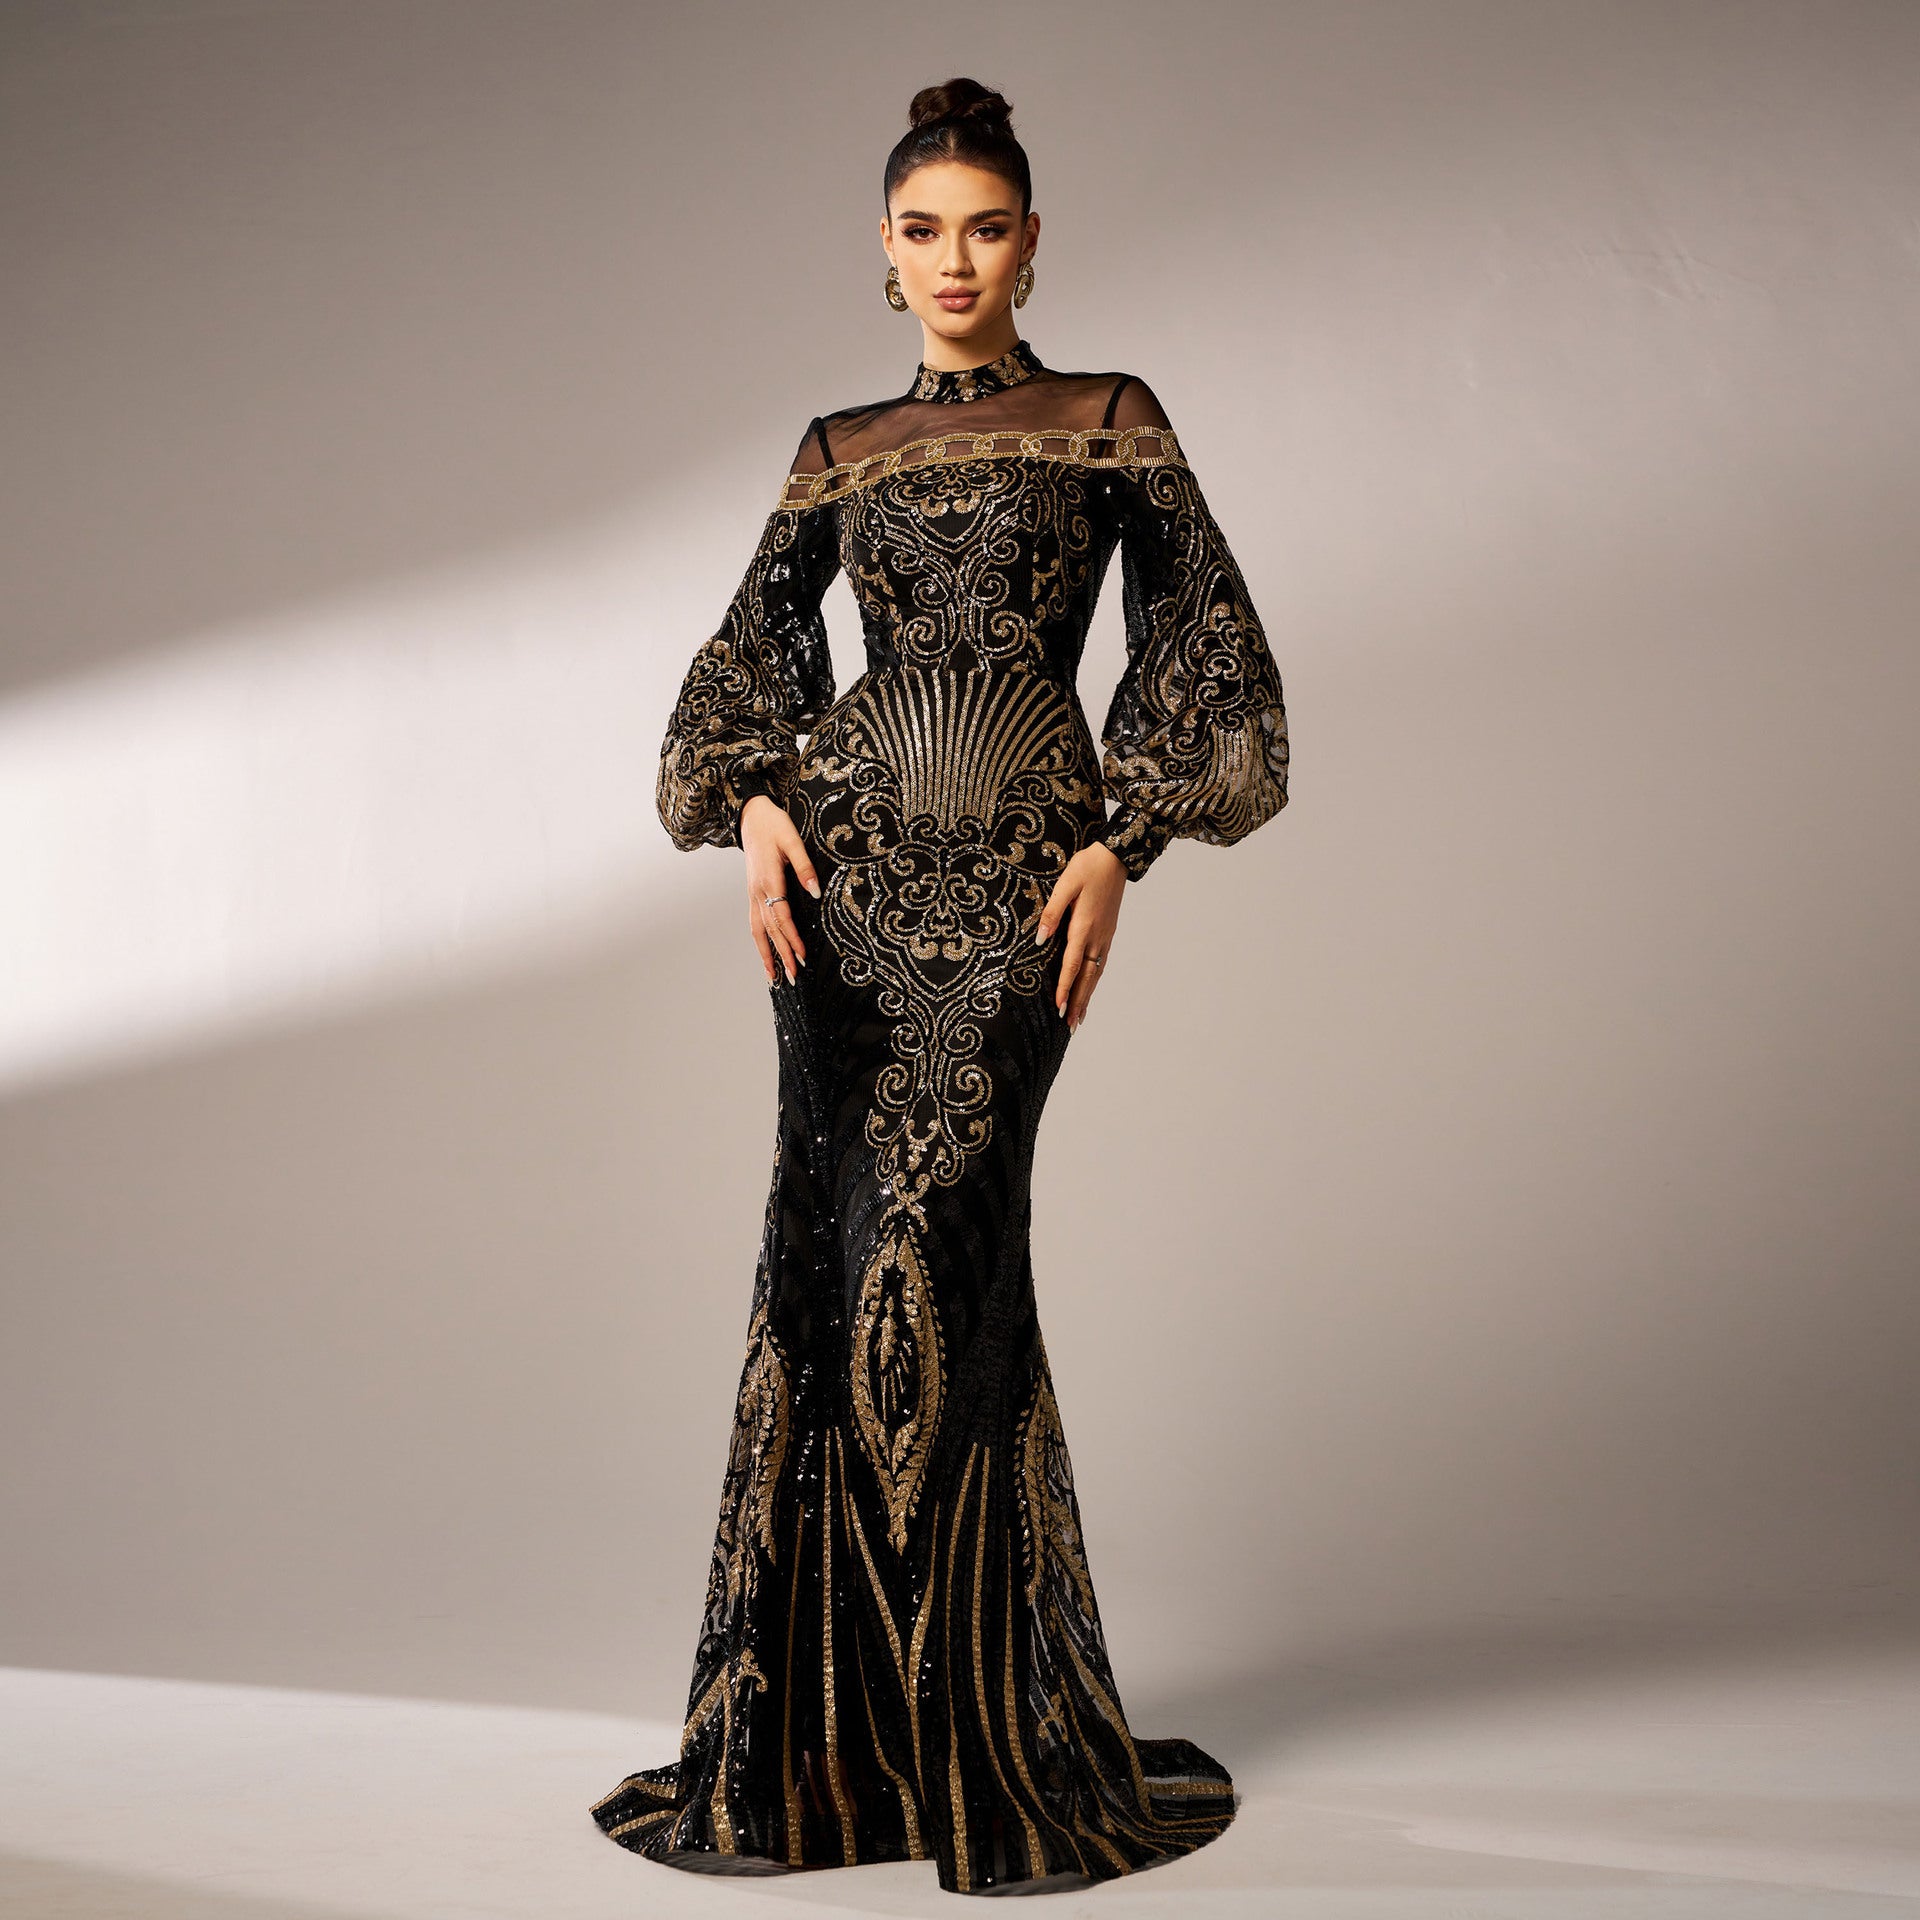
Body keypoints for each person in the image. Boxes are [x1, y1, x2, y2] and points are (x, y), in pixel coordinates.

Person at [590, 75, 1289, 1898]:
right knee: (830, 1268)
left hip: (1019, 896)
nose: (954, 261)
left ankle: (993, 1737)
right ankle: (842, 1746)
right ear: (882, 252)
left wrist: (1121, 841)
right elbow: (748, 654)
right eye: (922, 231)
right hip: (843, 900)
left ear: (1032, 243)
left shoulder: (1110, 417)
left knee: (945, 1255)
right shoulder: (837, 447)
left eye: (985, 229)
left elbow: (1207, 643)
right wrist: (755, 799)